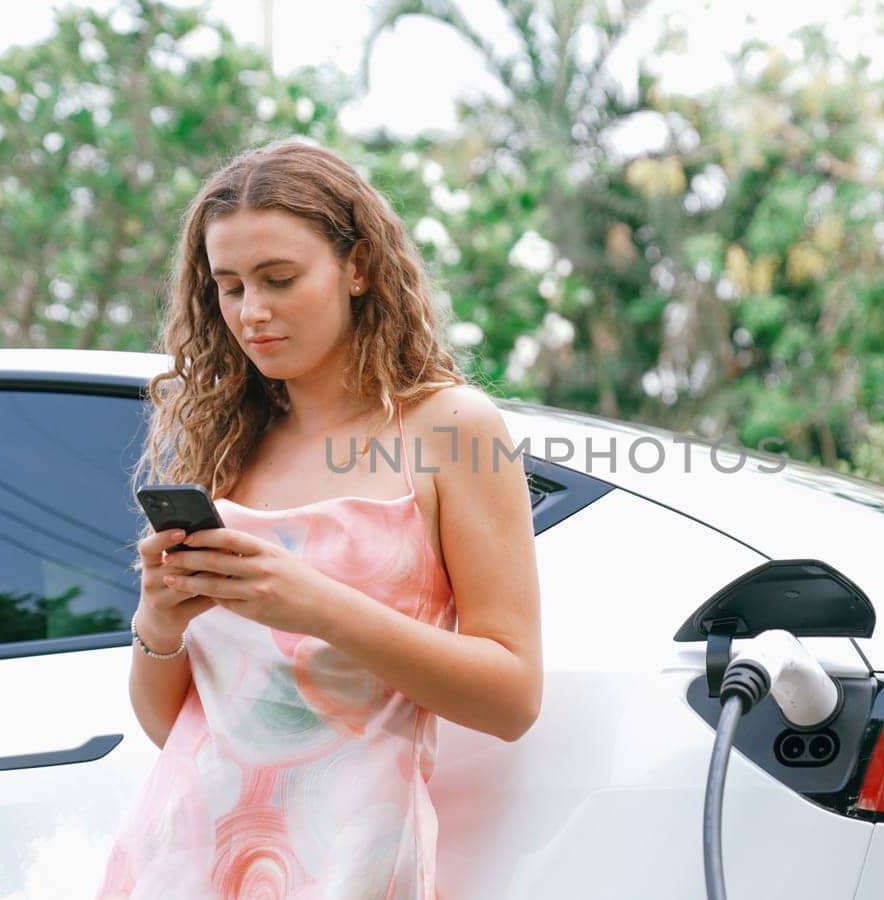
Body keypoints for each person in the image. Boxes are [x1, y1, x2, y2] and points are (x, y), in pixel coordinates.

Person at [96, 138, 543, 899]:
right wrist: (160, 624)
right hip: (182, 856)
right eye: (229, 287)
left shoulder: (450, 429)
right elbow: (174, 726)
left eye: (280, 279)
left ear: (359, 267)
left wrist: (313, 604)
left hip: (349, 861)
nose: (252, 312)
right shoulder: (226, 444)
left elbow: (511, 697)